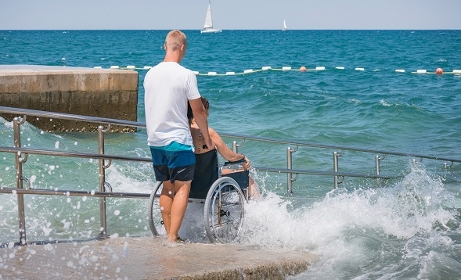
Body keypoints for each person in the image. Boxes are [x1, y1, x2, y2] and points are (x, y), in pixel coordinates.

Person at [144, 30, 213, 244]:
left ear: (165, 46)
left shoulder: (150, 73)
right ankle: (173, 237)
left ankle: (169, 234)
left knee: (166, 186)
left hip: (155, 140)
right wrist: (207, 139)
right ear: (182, 47)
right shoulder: (186, 75)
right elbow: (198, 111)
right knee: (183, 186)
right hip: (178, 140)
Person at [188, 97, 260, 199]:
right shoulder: (209, 133)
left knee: (226, 171)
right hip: (211, 187)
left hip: (189, 187)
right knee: (248, 179)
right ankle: (257, 208)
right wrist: (243, 158)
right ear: (202, 111)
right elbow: (230, 157)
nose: (208, 115)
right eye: (206, 111)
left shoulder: (182, 133)